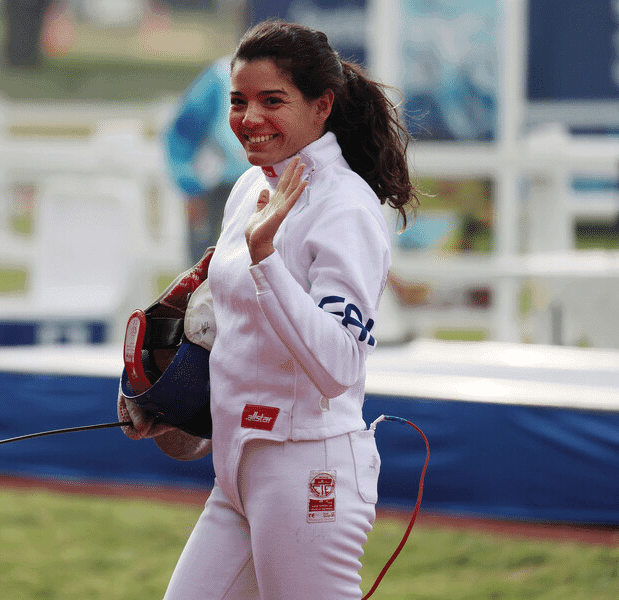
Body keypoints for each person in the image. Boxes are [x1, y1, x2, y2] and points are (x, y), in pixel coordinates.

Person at [119, 19, 419, 599]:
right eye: (238, 101)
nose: (249, 118)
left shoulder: (346, 208)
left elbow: (338, 366)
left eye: (271, 101)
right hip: (237, 470)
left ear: (321, 106)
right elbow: (234, 336)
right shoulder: (248, 189)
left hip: (309, 471)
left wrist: (264, 259)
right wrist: (173, 405)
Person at [164, 55, 252, 264]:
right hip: (219, 187)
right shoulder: (221, 75)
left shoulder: (297, 73)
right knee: (205, 276)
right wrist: (190, 185)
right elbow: (183, 133)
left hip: (276, 187)